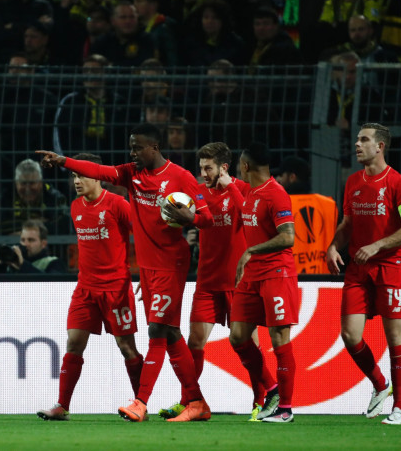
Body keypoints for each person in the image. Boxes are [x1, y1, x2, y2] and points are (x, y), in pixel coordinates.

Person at [37, 123, 214, 423]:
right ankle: (195, 401)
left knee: (156, 331)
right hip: (146, 270)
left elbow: (207, 219)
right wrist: (63, 161)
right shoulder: (131, 174)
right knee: (170, 333)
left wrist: (189, 217)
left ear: (154, 148)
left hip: (170, 264)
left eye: (137, 147)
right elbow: (102, 170)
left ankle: (141, 402)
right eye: (130, 147)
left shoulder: (180, 177)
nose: (132, 153)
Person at [158, 142, 277, 422]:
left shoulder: (244, 190)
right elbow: (196, 218)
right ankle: (190, 400)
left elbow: (249, 215)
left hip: (240, 283)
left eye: (208, 168)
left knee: (247, 345)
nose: (203, 173)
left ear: (224, 167)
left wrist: (230, 187)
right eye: (200, 168)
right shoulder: (197, 193)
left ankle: (261, 401)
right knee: (195, 343)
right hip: (207, 282)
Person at [326, 123, 401, 426]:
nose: (357, 144)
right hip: (357, 268)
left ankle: (400, 408)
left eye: (364, 140)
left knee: (395, 337)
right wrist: (332, 246)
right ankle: (380, 384)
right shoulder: (353, 181)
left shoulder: (398, 183)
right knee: (350, 335)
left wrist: (379, 244)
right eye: (356, 139)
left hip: (390, 267)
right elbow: (348, 223)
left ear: (380, 146)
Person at [37, 153, 143, 420]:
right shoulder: (75, 207)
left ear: (97, 175)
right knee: (73, 343)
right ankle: (61, 406)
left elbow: (143, 236)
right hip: (85, 289)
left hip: (116, 289)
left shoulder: (119, 205)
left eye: (81, 174)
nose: (77, 180)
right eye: (74, 175)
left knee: (126, 347)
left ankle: (141, 404)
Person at [229, 141, 299, 423]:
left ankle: (285, 408)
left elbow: (288, 237)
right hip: (252, 277)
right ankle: (271, 388)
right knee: (238, 337)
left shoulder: (276, 195)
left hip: (276, 274)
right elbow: (233, 185)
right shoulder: (250, 191)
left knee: (279, 339)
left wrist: (250, 250)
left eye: (238, 165)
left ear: (246, 166)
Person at [0, 219, 68, 274]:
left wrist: (23, 265)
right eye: (23, 240)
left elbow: (52, 286)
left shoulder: (54, 263)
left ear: (43, 244)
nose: (25, 244)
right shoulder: (12, 262)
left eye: (31, 240)